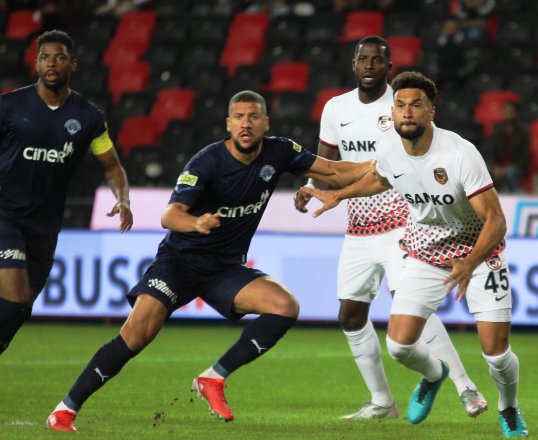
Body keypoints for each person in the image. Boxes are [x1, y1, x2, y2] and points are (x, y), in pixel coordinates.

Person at [46, 90, 374, 432]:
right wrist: (196, 223)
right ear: (228, 124)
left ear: (265, 123)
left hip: (224, 269)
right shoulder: (207, 162)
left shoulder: (280, 151)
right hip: (179, 263)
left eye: (253, 117)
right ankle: (65, 410)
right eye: (239, 117)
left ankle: (213, 378)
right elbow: (169, 216)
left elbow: (334, 172)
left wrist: (381, 163)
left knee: (284, 306)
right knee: (136, 335)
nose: (246, 123)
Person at [301, 71, 529, 437]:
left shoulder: (459, 154)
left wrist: (470, 263)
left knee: (497, 355)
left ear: (431, 112)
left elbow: (496, 221)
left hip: (480, 257)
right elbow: (379, 179)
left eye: (416, 105)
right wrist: (338, 194)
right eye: (400, 105)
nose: (407, 112)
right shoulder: (390, 149)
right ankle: (434, 374)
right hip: (424, 254)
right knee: (399, 346)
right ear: (392, 112)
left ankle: (509, 407)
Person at [0, 30, 133, 356]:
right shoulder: (10, 106)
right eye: (45, 57)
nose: (51, 63)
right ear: (35, 63)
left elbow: (112, 166)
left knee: (20, 309)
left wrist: (123, 197)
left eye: (59, 57)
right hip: (7, 214)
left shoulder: (88, 117)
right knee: (14, 297)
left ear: (72, 64)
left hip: (45, 226)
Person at [483, 102, 530, 193]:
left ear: (516, 113)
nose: (508, 115)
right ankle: (493, 196)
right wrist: (496, 166)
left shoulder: (523, 131)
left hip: (517, 166)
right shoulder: (497, 131)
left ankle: (513, 195)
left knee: (510, 172)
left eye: (511, 112)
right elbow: (491, 152)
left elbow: (525, 156)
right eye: (506, 112)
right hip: (499, 166)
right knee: (486, 169)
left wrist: (505, 169)